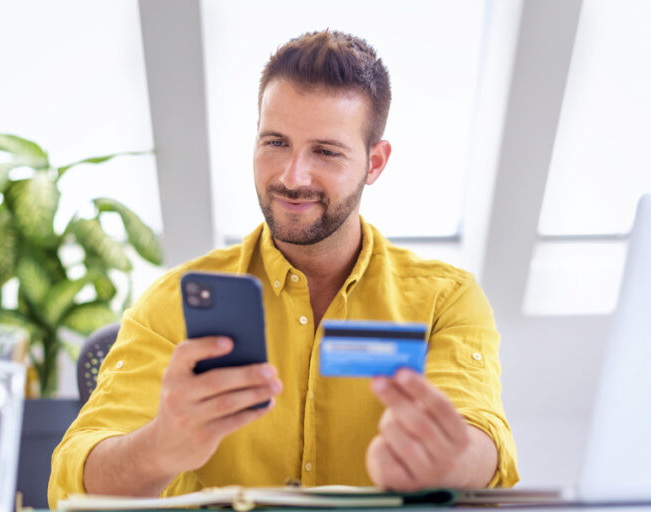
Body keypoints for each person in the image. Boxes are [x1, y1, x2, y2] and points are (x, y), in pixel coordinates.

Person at [48, 30, 518, 507]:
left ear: (374, 163)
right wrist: (160, 446)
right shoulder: (173, 303)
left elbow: (483, 448)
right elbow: (72, 484)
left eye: (326, 152)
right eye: (275, 142)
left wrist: (446, 465)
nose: (293, 176)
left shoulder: (445, 300)